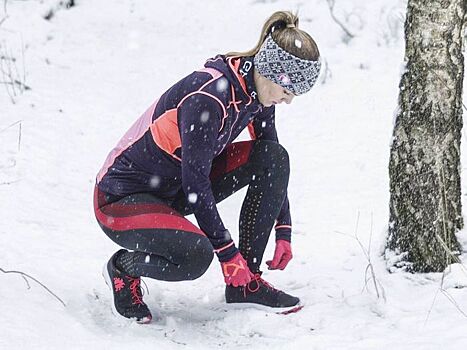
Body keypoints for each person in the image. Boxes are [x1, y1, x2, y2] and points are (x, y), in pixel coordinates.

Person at [93, 10, 321, 323]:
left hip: (173, 189)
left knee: (272, 156)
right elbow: (196, 185)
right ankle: (123, 267)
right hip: (121, 200)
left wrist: (284, 228)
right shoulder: (209, 98)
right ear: (270, 72)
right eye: (286, 92)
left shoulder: (257, 95)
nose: (288, 101)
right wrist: (227, 255)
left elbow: (272, 159)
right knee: (196, 256)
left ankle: (247, 283)